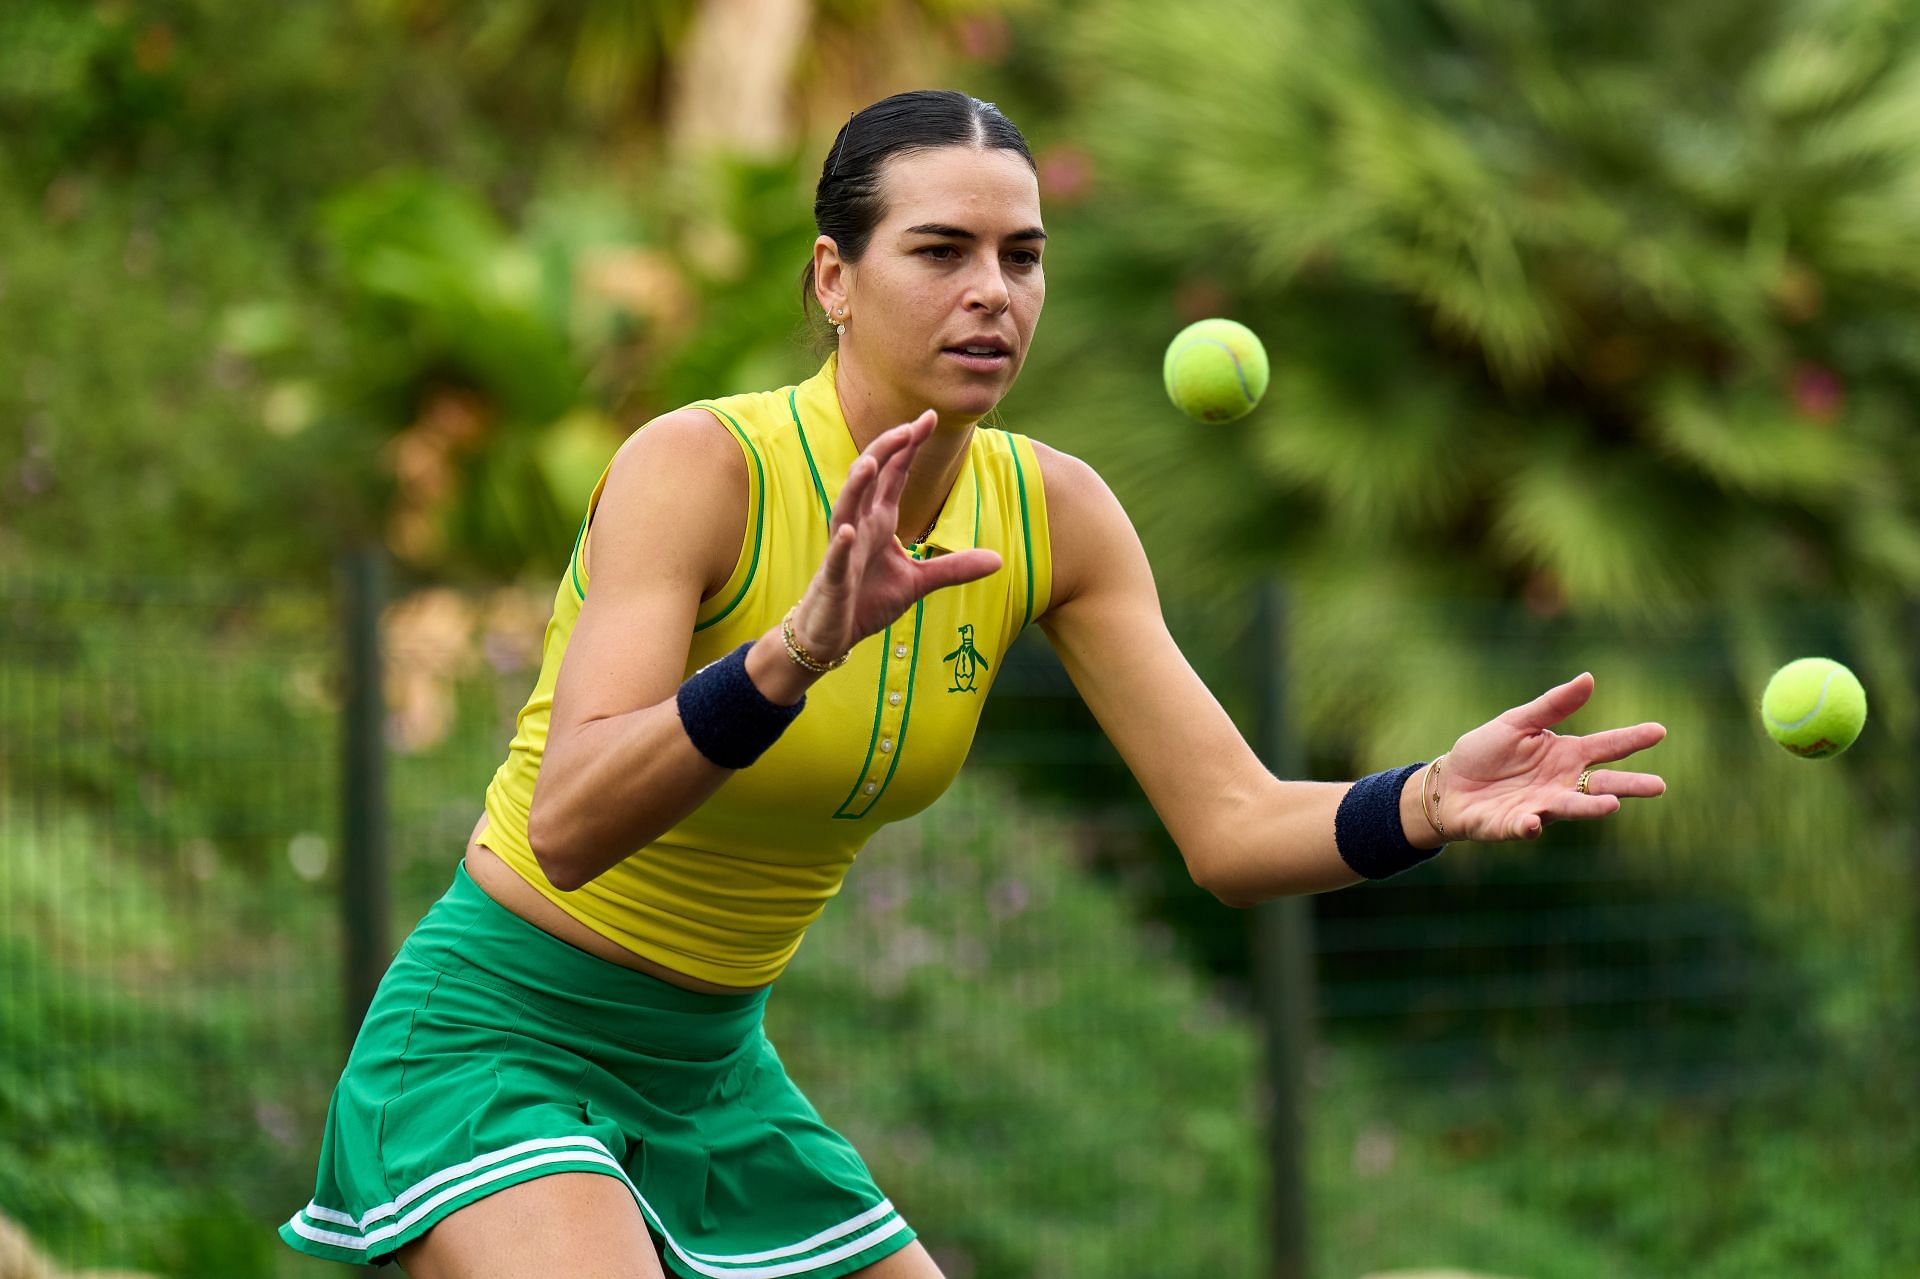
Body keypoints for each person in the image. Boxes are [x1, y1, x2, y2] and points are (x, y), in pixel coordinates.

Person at [280, 89, 1668, 1279]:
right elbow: (572, 822)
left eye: (1022, 255)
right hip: (495, 1039)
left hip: (712, 1069)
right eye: (940, 251)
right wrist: (791, 655)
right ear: (834, 278)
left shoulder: (1053, 516)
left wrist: (1424, 798)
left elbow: (1234, 828)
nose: (991, 292)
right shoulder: (700, 469)